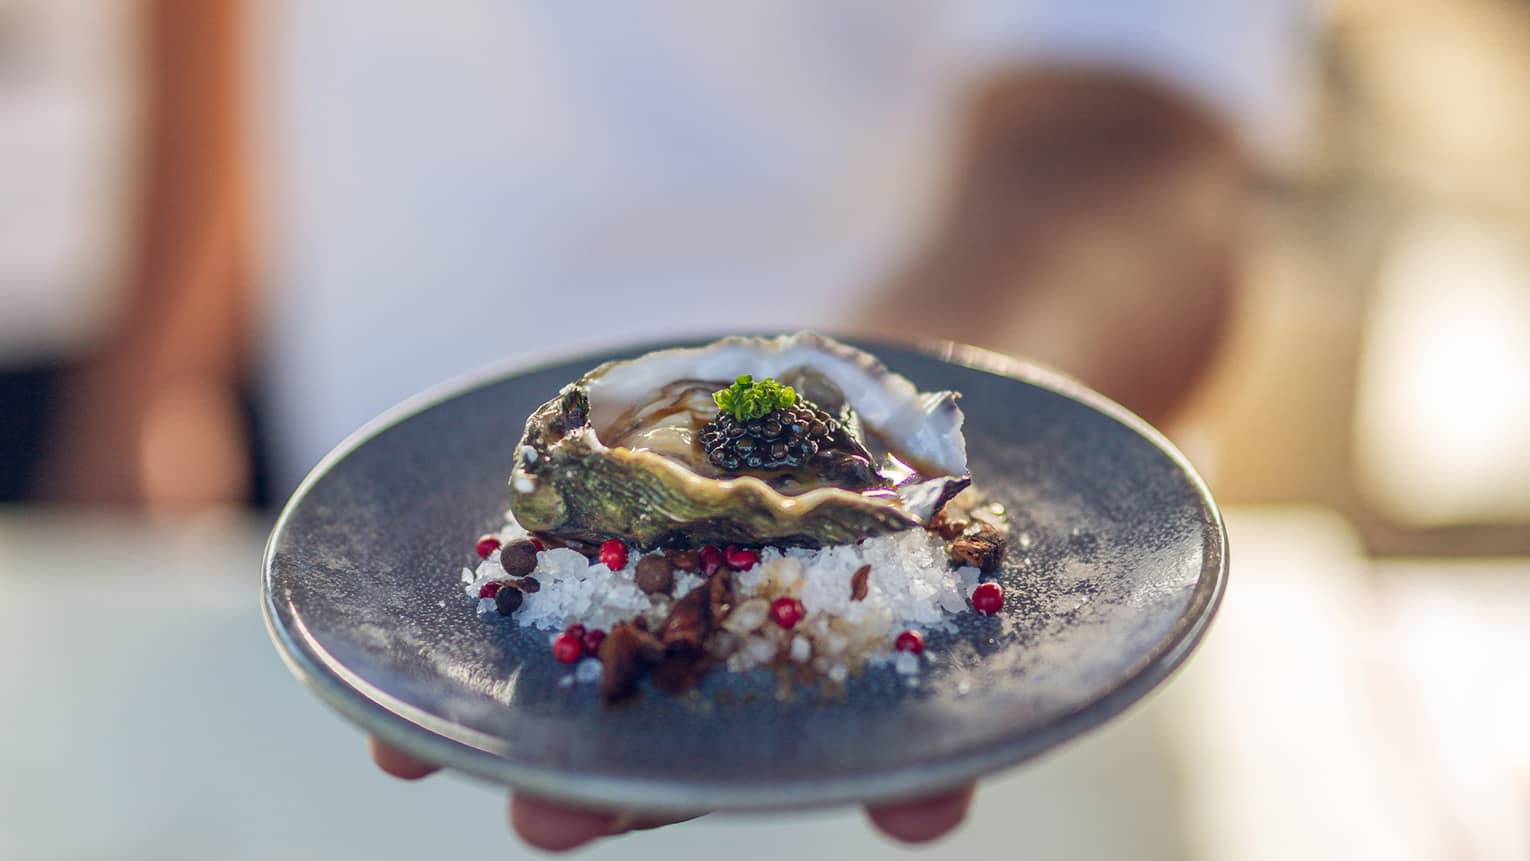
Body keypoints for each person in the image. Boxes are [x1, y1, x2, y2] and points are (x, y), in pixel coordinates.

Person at [35, 0, 1313, 851]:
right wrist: (150, 371)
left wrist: (910, 458)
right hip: (363, 569)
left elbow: (1128, 139)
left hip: (955, 706)